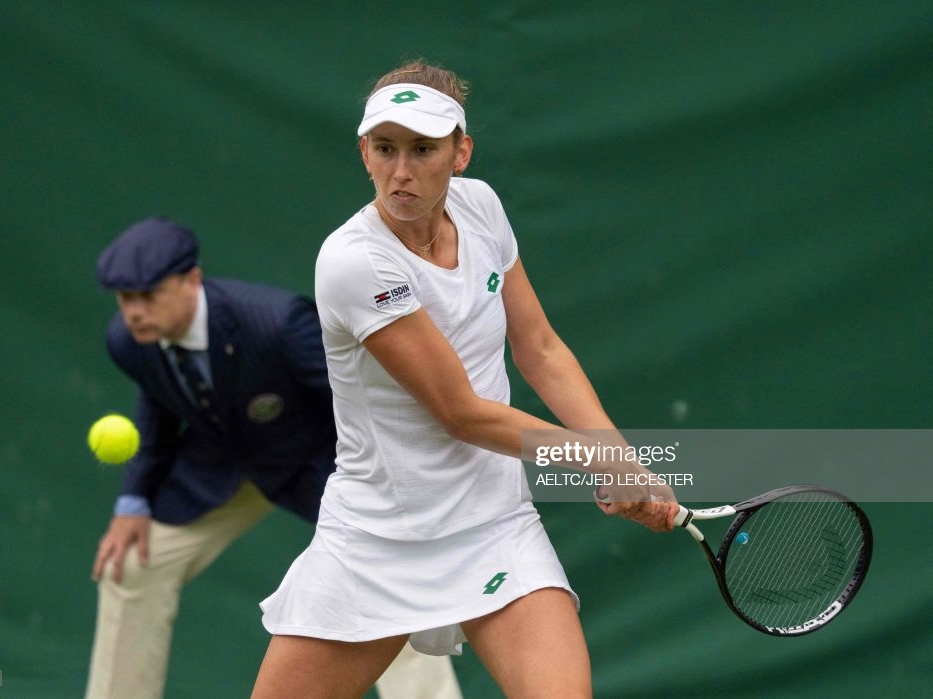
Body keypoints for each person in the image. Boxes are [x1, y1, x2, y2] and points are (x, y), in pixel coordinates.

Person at [251, 61, 679, 698]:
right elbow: (461, 413)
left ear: (460, 152)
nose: (402, 171)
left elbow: (539, 348)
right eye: (386, 148)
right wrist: (599, 462)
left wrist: (619, 458)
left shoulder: (481, 207)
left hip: (494, 524)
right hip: (378, 540)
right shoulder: (354, 261)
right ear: (363, 152)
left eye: (423, 149)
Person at [85, 216, 463, 699]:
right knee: (131, 565)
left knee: (389, 587)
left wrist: (393, 488)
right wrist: (132, 503)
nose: (133, 312)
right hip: (217, 471)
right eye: (124, 299)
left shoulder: (278, 323)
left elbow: (358, 399)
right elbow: (157, 411)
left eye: (147, 296)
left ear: (192, 281)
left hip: (319, 465)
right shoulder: (127, 342)